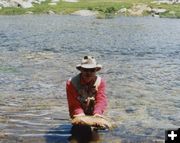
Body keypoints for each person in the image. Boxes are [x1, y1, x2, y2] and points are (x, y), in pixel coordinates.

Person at [66, 56, 107, 120]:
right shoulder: (71, 83)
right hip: (77, 114)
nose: (89, 73)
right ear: (81, 70)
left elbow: (101, 100)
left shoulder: (100, 82)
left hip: (95, 114)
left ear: (96, 70)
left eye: (92, 70)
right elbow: (73, 104)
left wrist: (98, 113)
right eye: (86, 70)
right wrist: (80, 115)